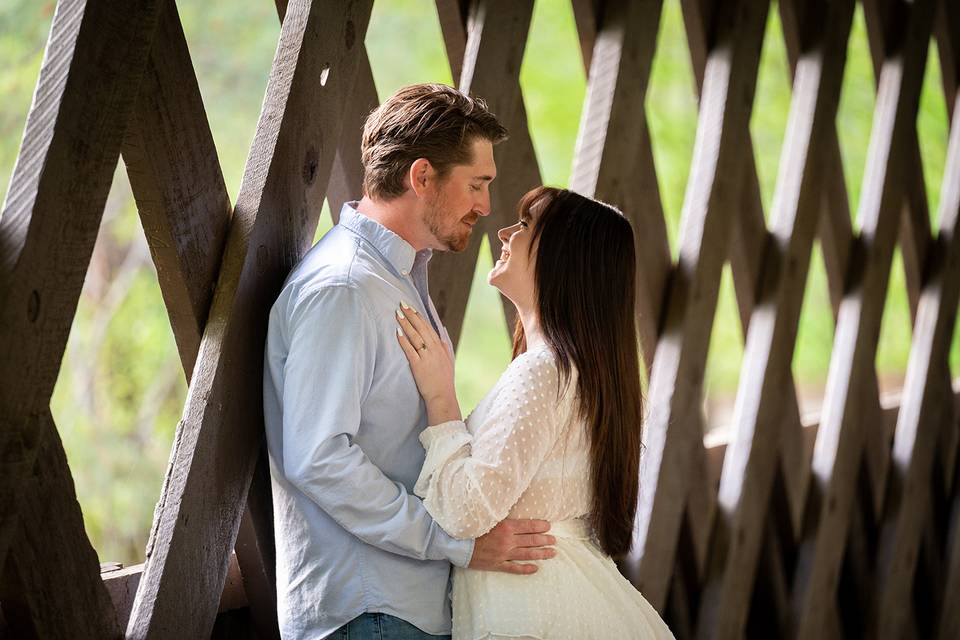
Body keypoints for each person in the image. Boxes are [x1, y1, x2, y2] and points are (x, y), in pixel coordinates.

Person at [263, 84, 560, 640]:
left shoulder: (394, 279)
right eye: (477, 184)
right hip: (369, 611)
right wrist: (455, 542)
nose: (486, 207)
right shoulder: (346, 288)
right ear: (422, 178)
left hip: (400, 609)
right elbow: (318, 457)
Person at [394, 186, 676, 639]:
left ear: (564, 259)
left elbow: (468, 512)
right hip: (570, 599)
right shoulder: (580, 373)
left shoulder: (543, 372)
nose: (504, 232)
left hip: (530, 612)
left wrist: (441, 399)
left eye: (525, 225)